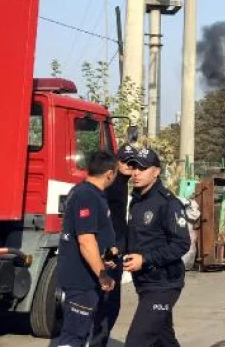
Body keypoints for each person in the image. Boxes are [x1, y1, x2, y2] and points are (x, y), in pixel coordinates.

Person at [123, 147, 191, 347]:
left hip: (164, 284)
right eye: (134, 167)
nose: (136, 172)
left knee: (137, 341)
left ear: (156, 172)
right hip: (144, 282)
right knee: (163, 339)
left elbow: (181, 243)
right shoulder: (136, 201)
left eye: (142, 168)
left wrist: (145, 260)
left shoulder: (168, 203)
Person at [57, 151, 118, 347]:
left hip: (87, 277)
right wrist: (102, 274)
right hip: (81, 279)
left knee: (81, 334)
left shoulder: (90, 193)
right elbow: (85, 241)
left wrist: (107, 256)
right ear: (110, 173)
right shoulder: (86, 195)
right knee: (74, 336)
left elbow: (96, 239)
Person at [89, 145, 134, 347]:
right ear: (116, 162)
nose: (130, 166)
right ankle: (96, 342)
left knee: (112, 304)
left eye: (133, 163)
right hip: (109, 250)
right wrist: (108, 251)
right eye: (125, 162)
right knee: (107, 303)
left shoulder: (124, 182)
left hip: (118, 247)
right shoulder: (111, 184)